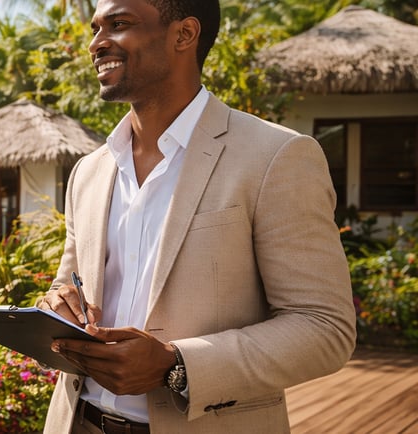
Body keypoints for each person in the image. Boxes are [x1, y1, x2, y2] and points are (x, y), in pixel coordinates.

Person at [36, 0, 357, 432]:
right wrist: (56, 304)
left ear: (184, 35)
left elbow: (324, 327)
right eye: (95, 28)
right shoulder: (89, 171)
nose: (97, 43)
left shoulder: (276, 157)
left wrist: (176, 364)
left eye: (119, 24)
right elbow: (68, 282)